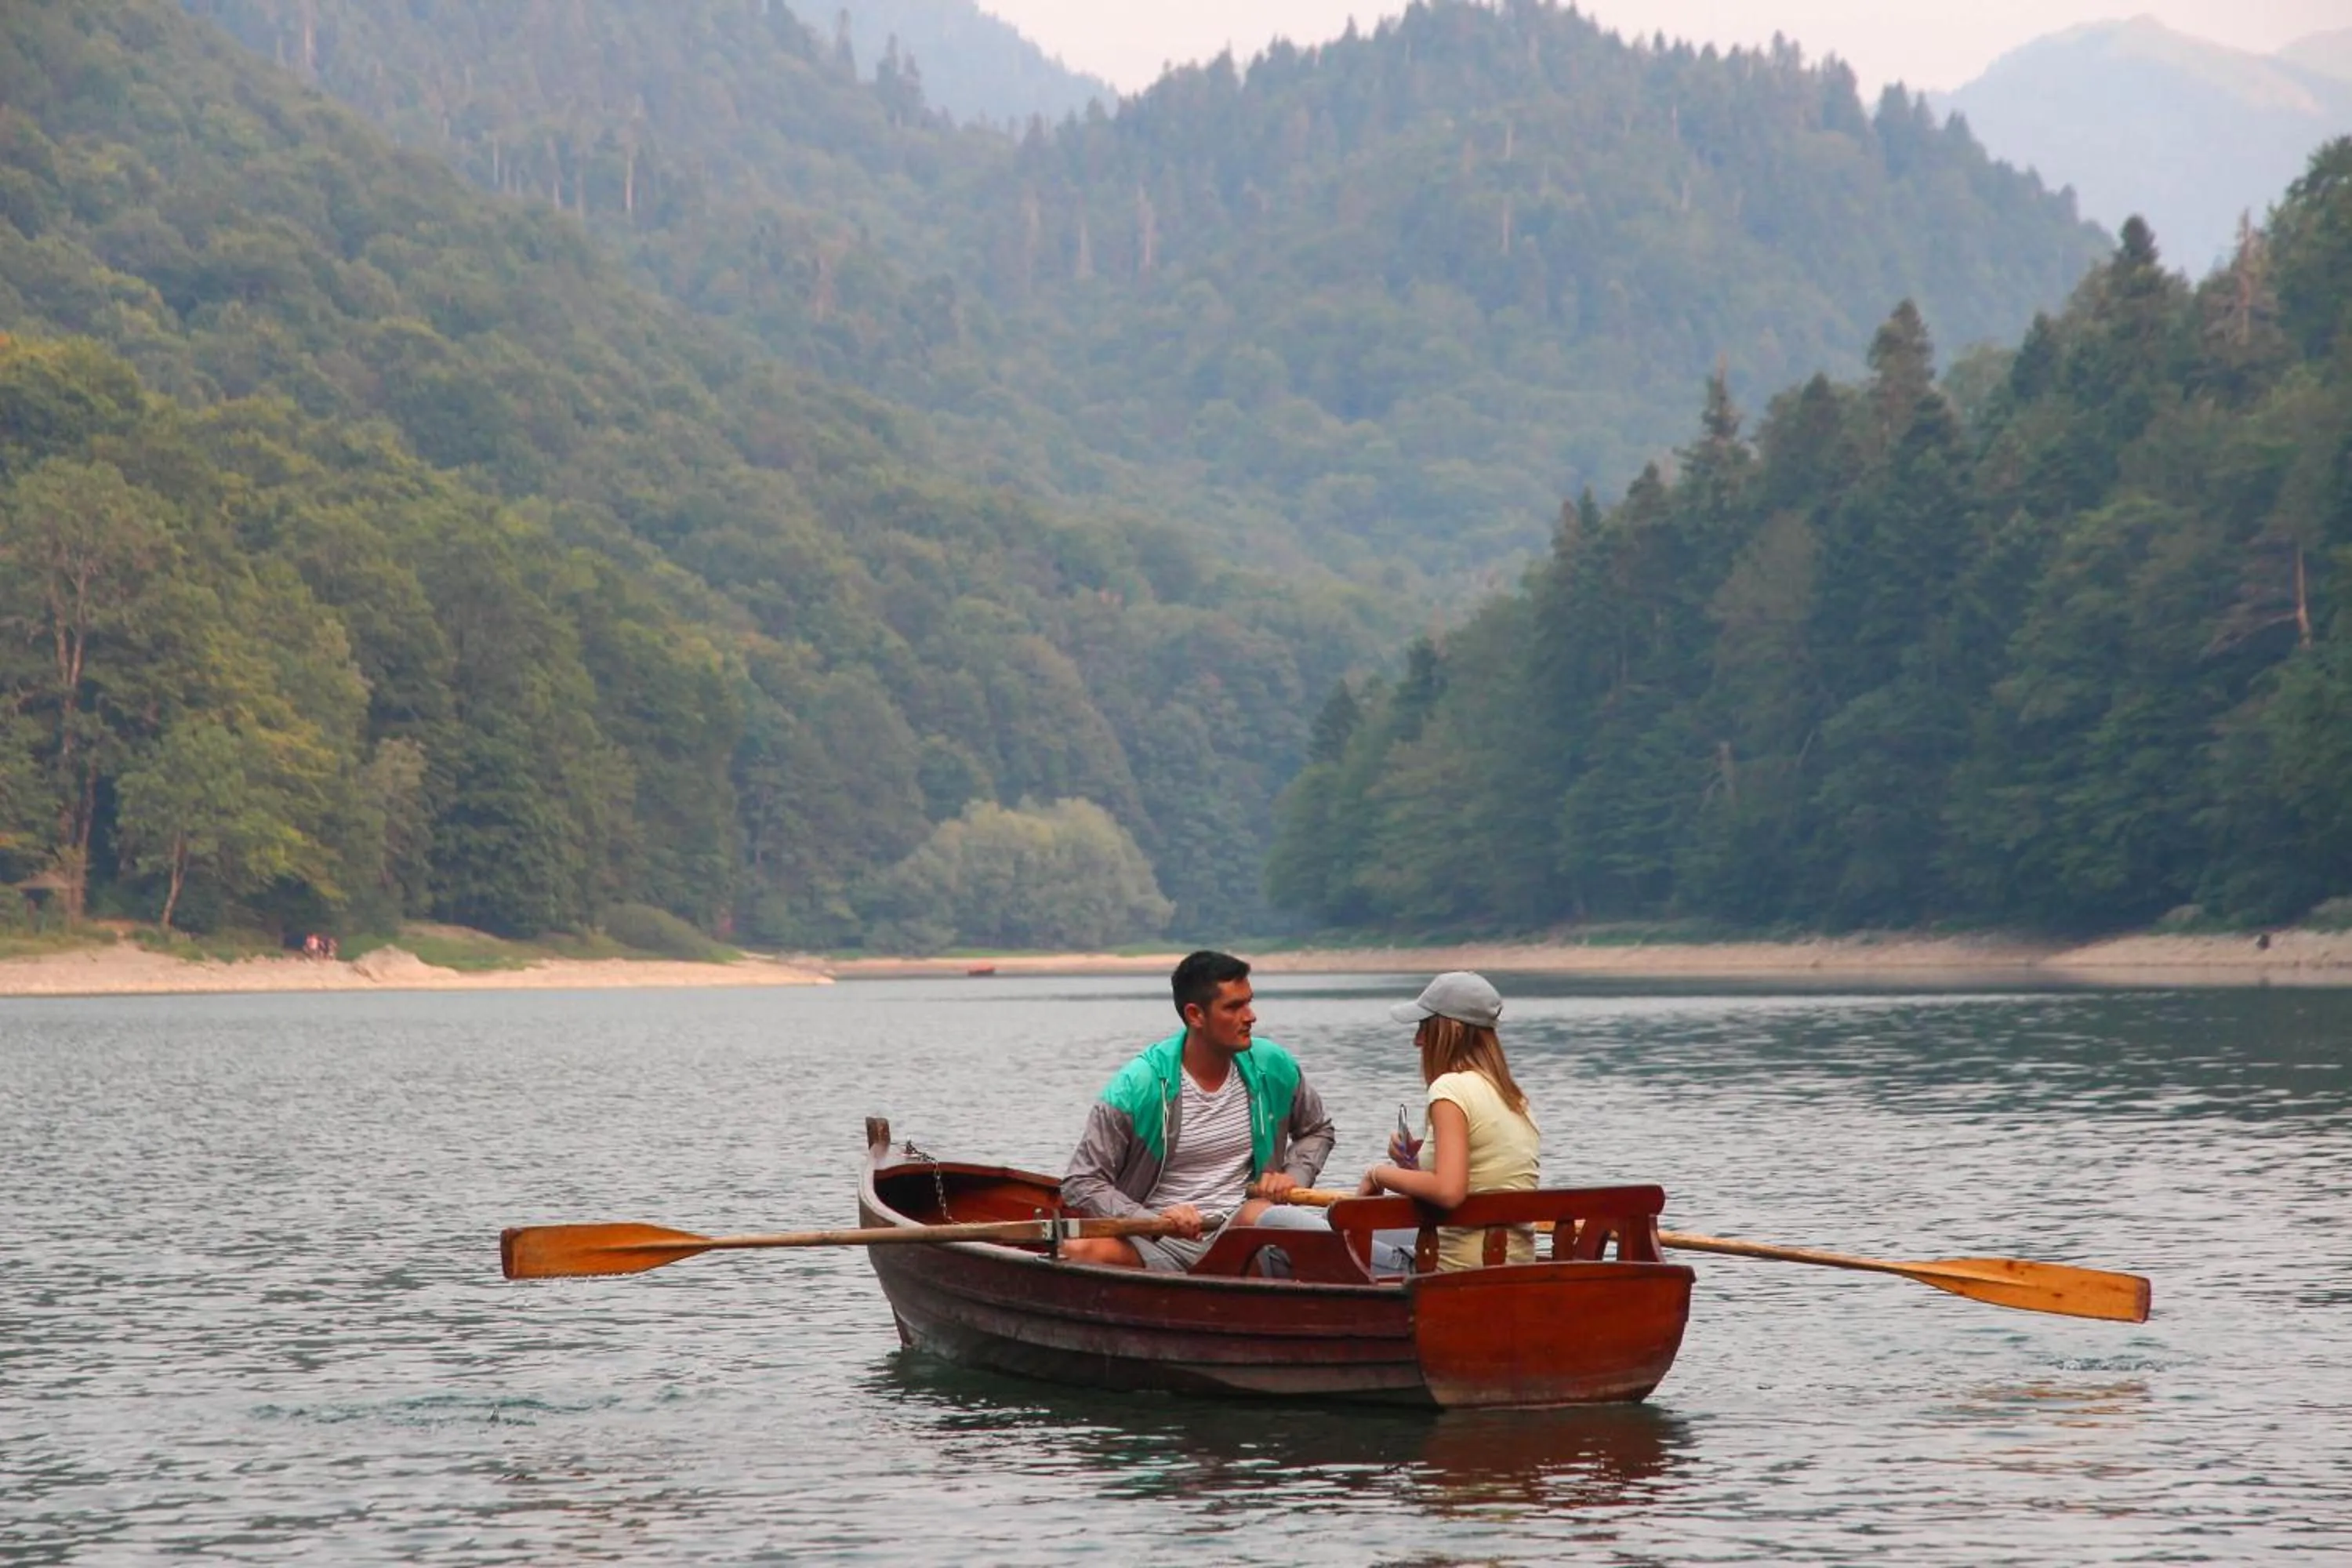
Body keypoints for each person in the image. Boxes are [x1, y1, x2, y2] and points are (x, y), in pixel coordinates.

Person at [1060, 950, 1337, 1271]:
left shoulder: (1273, 1066)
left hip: (1245, 1238)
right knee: (1077, 1251)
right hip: (1158, 1240)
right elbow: (1082, 1181)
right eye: (1234, 1007)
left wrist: (1292, 1177)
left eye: (1249, 1001)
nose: (1251, 1016)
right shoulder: (1137, 1087)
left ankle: (1367, 1264)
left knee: (1254, 1214)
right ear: (1195, 1015)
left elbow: (1317, 1129)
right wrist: (1152, 1220)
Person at [1356, 971, 1541, 1272]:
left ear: (1450, 1031)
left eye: (1423, 1028)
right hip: (1509, 1262)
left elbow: (1448, 1191)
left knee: (1276, 1222)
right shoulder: (1514, 1098)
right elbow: (1482, 1183)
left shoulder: (1450, 1089)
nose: (1417, 1041)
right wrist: (1413, 1165)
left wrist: (1378, 1174)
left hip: (1452, 1271)